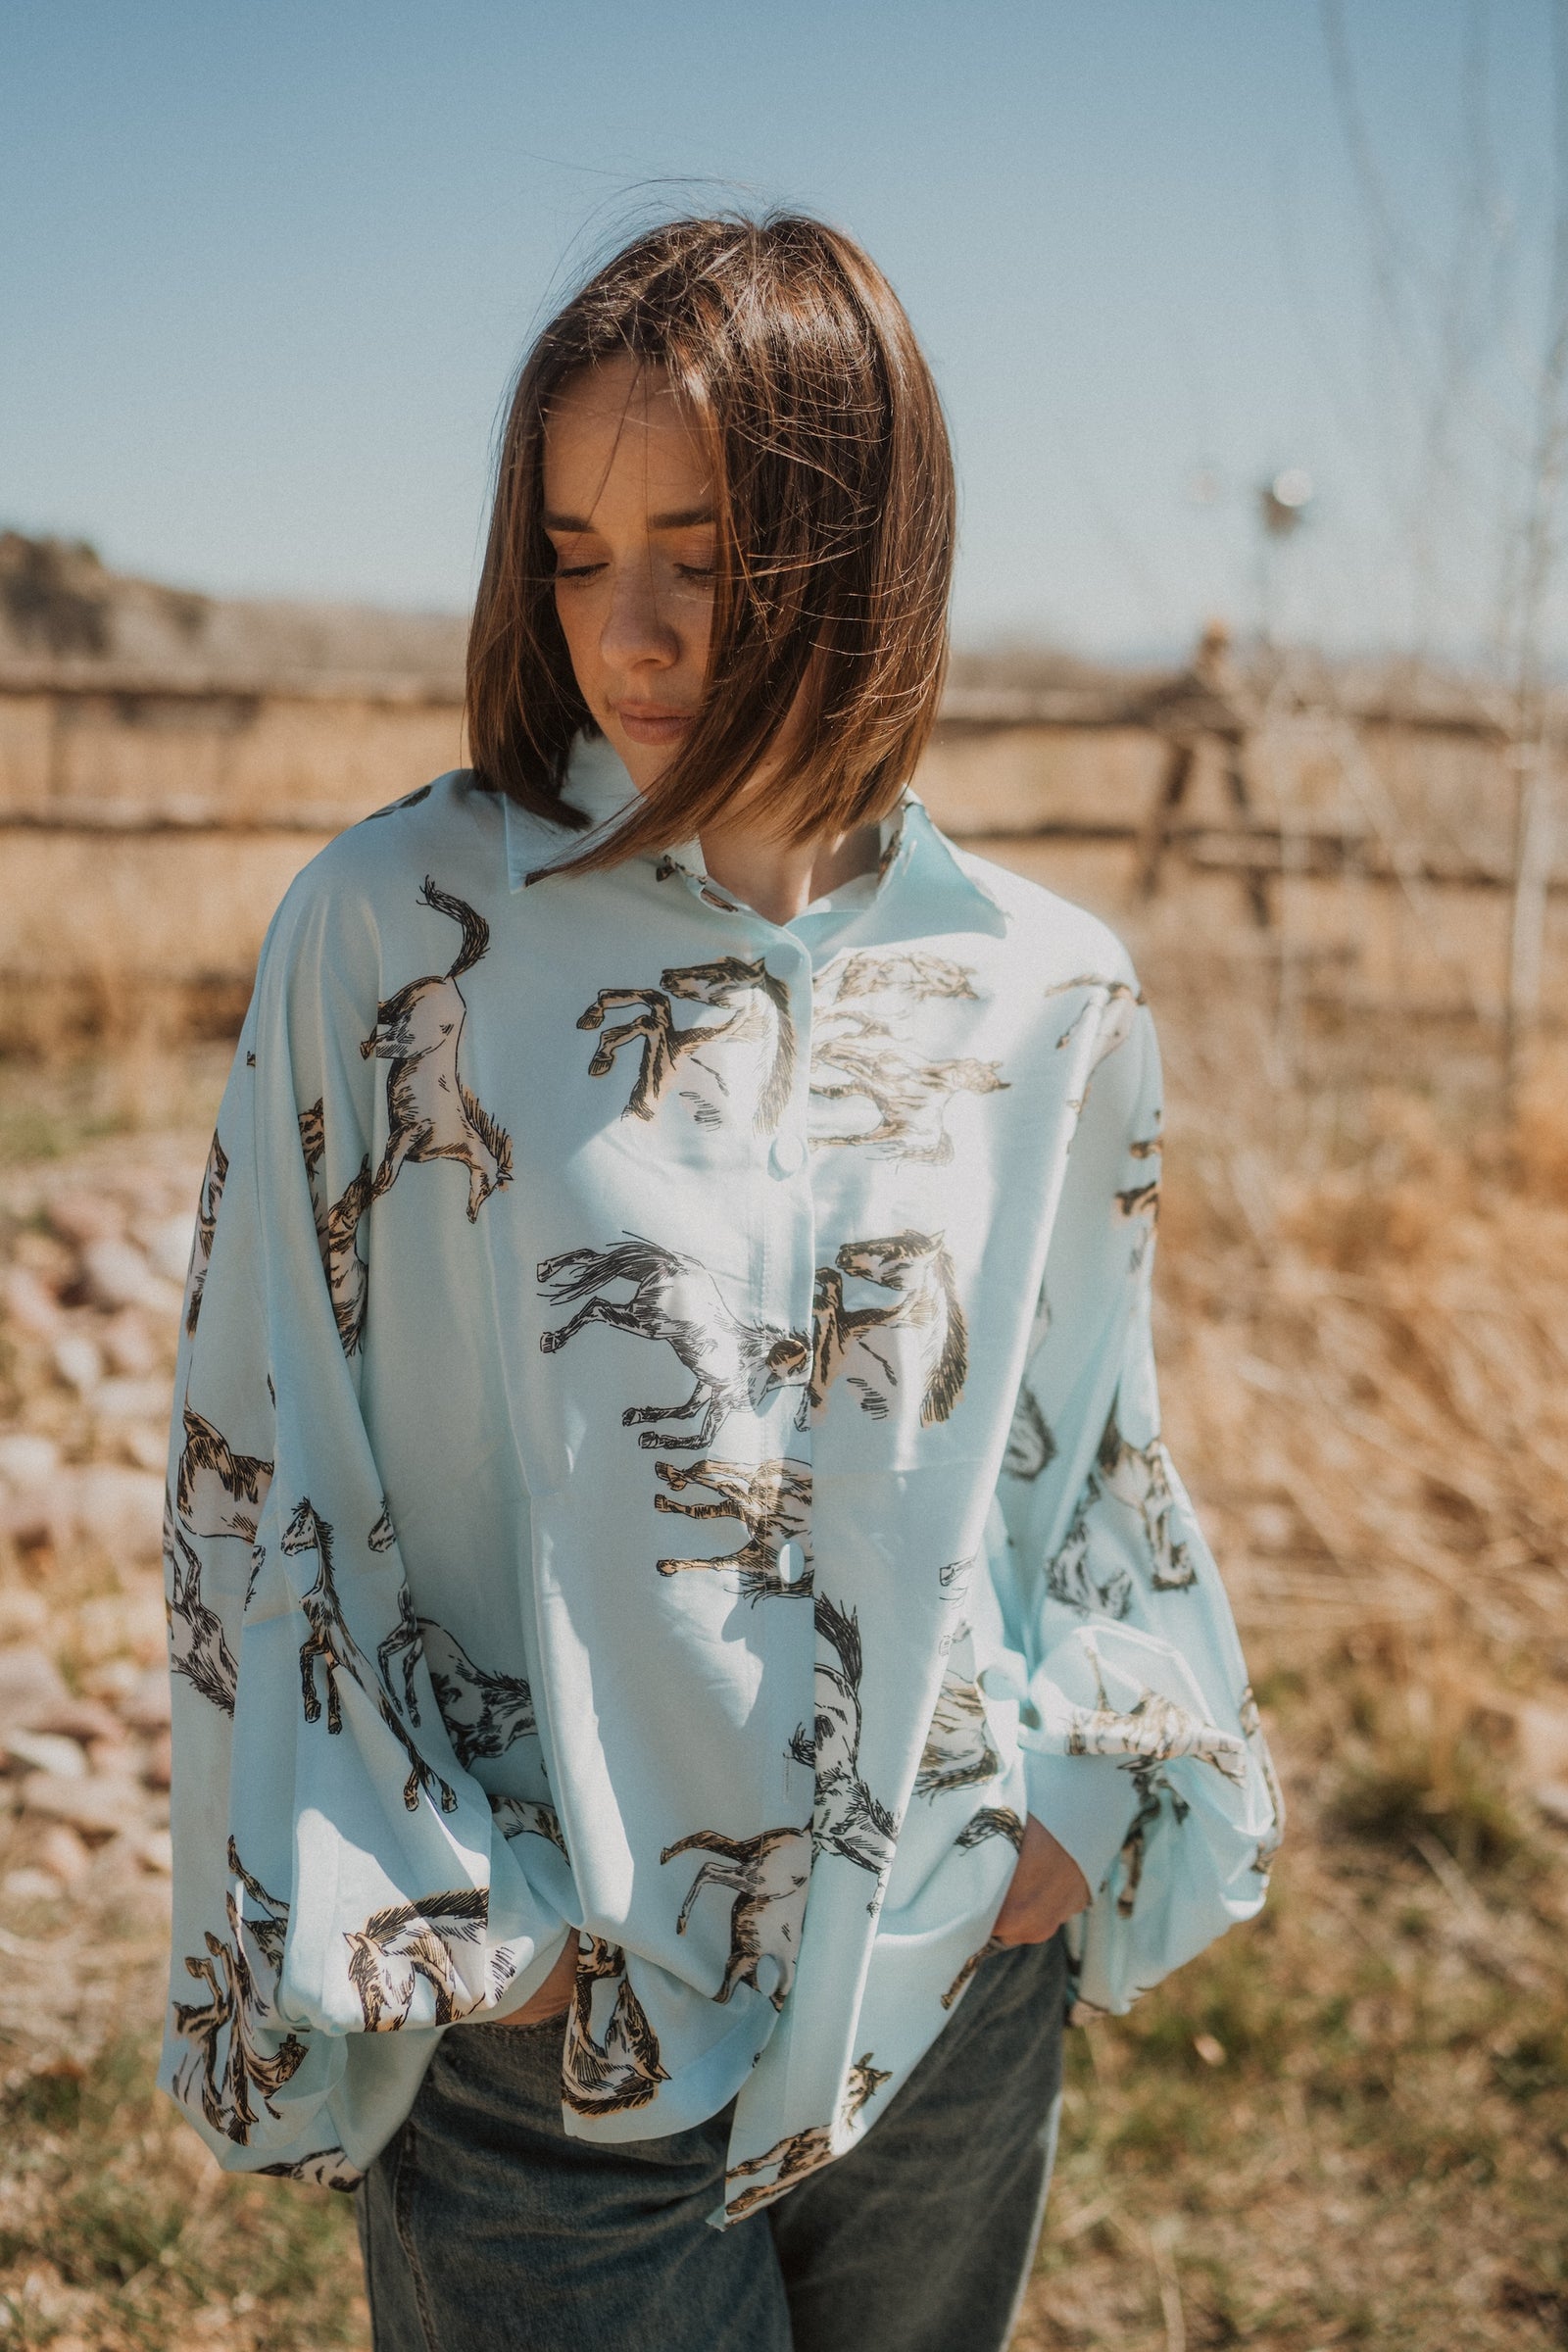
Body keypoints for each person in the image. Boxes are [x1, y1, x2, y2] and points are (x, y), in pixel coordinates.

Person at [158, 213, 1282, 2352]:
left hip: (947, 1993)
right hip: (547, 2035)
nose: (631, 632)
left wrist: (1062, 1803)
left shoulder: (1047, 991)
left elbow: (1082, 1464)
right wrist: (465, 1935)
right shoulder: (388, 935)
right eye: (576, 555)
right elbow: (262, 1459)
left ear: (867, 551)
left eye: (703, 551)